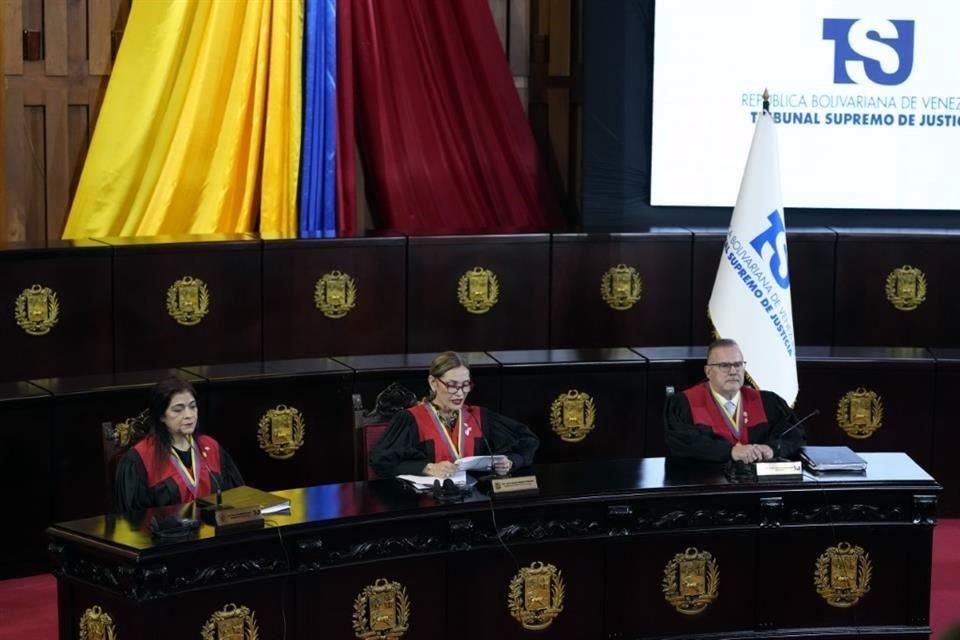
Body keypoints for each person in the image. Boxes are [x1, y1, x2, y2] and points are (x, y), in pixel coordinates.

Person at [369, 351, 539, 479]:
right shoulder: (411, 419)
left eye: (465, 385)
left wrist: (510, 462)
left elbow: (527, 440)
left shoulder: (478, 416)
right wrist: (427, 468)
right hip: (426, 503)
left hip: (475, 500)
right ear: (433, 383)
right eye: (452, 385)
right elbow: (381, 461)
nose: (460, 393)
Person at [114, 377, 243, 512]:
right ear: (161, 416)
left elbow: (236, 500)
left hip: (212, 531)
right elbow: (131, 520)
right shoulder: (139, 459)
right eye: (178, 409)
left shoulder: (211, 447)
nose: (189, 415)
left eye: (192, 407)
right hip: (165, 533)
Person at [664, 338, 804, 463]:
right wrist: (729, 451)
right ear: (708, 371)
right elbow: (681, 443)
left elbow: (794, 434)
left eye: (738, 365)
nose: (733, 371)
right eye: (724, 365)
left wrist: (772, 448)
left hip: (759, 486)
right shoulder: (685, 403)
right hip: (706, 484)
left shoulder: (768, 402)